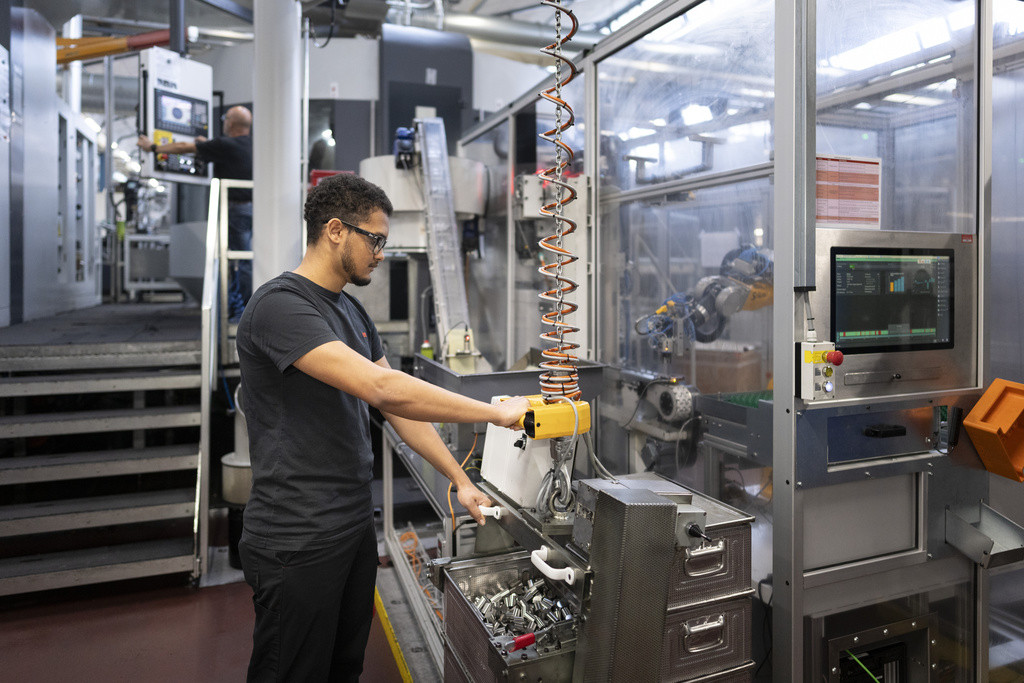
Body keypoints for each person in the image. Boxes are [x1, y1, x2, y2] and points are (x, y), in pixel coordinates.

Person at [234, 172, 530, 682]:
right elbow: (384, 390)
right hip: (297, 533)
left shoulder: (351, 311)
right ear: (334, 230)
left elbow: (400, 411)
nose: (380, 253)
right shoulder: (280, 306)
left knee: (342, 667)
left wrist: (461, 481)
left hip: (350, 526)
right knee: (292, 673)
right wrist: (495, 412)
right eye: (375, 240)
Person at [138, 105, 253, 319]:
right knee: (244, 258)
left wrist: (152, 147)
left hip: (235, 211)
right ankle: (245, 309)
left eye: (225, 119)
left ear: (230, 123)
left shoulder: (224, 145)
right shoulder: (253, 145)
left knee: (238, 262)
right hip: (254, 209)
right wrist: (205, 145)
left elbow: (183, 147)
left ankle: (244, 312)